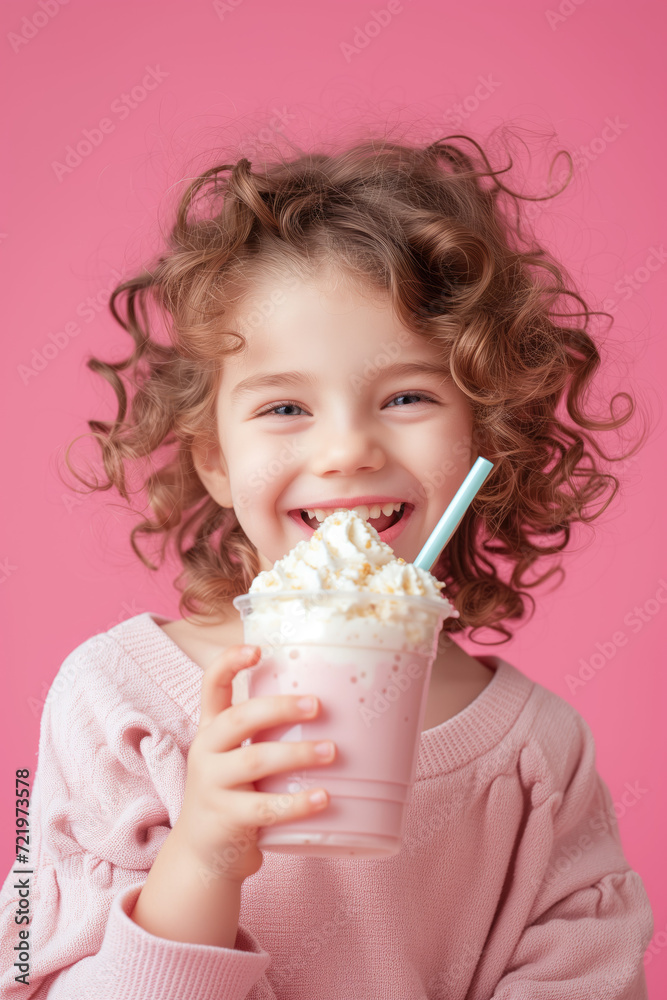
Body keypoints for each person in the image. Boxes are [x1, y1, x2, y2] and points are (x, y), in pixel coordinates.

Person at [0, 132, 654, 998]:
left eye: (407, 396)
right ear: (214, 460)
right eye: (284, 406)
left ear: (483, 436)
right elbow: (29, 973)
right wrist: (201, 863)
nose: (347, 449)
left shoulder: (537, 759)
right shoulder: (115, 706)